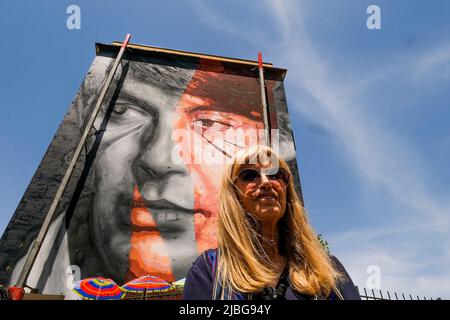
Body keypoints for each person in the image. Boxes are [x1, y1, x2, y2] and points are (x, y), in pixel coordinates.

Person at [7, 53, 298, 297]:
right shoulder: (28, 271)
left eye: (212, 122)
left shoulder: (317, 275)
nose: (159, 160)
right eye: (124, 110)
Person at [183, 145, 360, 300]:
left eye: (275, 174)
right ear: (234, 195)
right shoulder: (209, 270)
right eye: (250, 175)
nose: (266, 182)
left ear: (287, 191)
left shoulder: (327, 269)